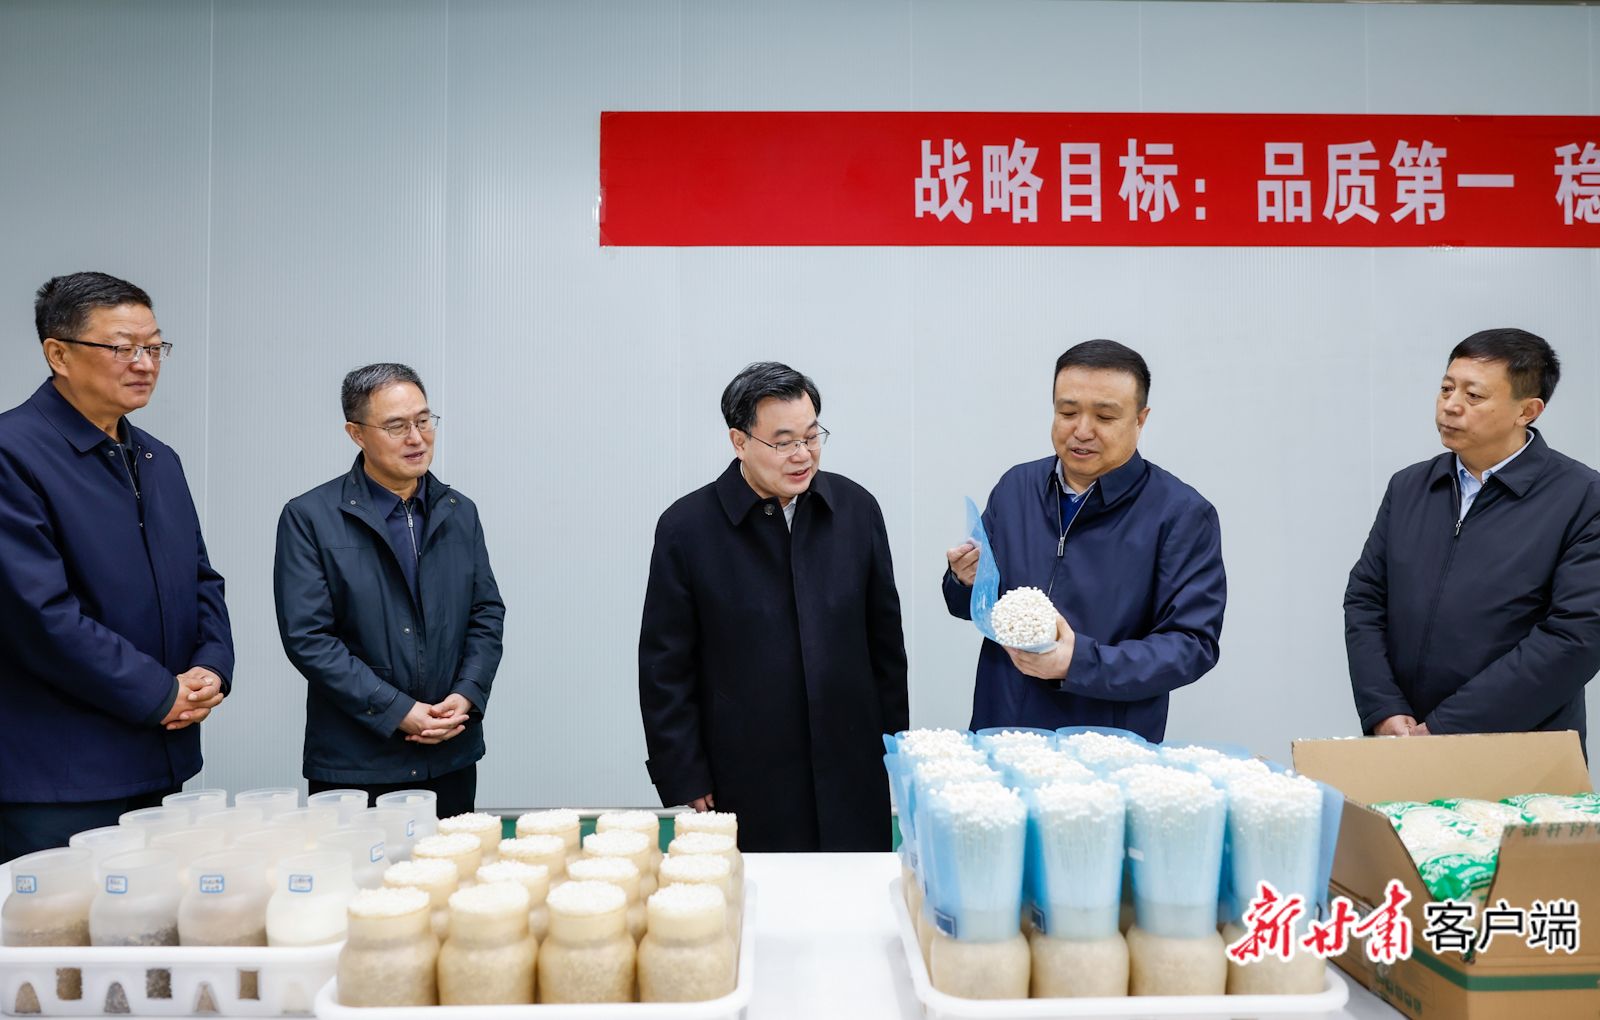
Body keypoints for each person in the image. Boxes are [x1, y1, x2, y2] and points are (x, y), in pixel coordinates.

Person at [0, 272, 233, 862]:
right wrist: (159, 691)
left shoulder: (158, 458)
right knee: (65, 924)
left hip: (160, 756)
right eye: (122, 348)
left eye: (154, 347)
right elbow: (38, 615)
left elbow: (201, 579)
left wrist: (211, 666)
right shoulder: (12, 453)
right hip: (60, 779)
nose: (145, 364)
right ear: (58, 354)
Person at [639, 362, 909, 852]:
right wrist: (684, 771)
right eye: (784, 442)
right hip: (743, 775)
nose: (803, 454)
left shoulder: (856, 509)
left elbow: (885, 645)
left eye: (812, 436)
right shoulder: (687, 529)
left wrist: (895, 750)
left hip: (849, 769)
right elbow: (665, 668)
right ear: (739, 442)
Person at [943, 339, 1225, 739]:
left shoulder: (1181, 514)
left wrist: (1079, 663)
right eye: (1068, 412)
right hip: (1002, 730)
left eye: (1105, 416)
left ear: (1140, 419)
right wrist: (964, 580)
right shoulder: (1016, 488)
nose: (1082, 430)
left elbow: (1192, 645)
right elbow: (972, 607)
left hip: (1106, 744)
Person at [1346, 328, 1600, 748]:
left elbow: (1576, 637)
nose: (1450, 405)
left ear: (1527, 411)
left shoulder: (1582, 497)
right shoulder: (1410, 487)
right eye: (1447, 388)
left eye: (1474, 395)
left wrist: (1446, 728)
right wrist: (1384, 708)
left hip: (1521, 750)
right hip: (1405, 741)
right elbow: (1365, 598)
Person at [274, 363, 505, 817]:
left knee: (451, 862)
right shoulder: (310, 517)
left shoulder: (459, 512)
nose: (416, 438)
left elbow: (485, 614)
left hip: (450, 753)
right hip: (356, 764)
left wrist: (467, 695)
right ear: (356, 434)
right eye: (397, 426)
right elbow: (309, 638)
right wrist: (397, 710)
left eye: (423, 420)